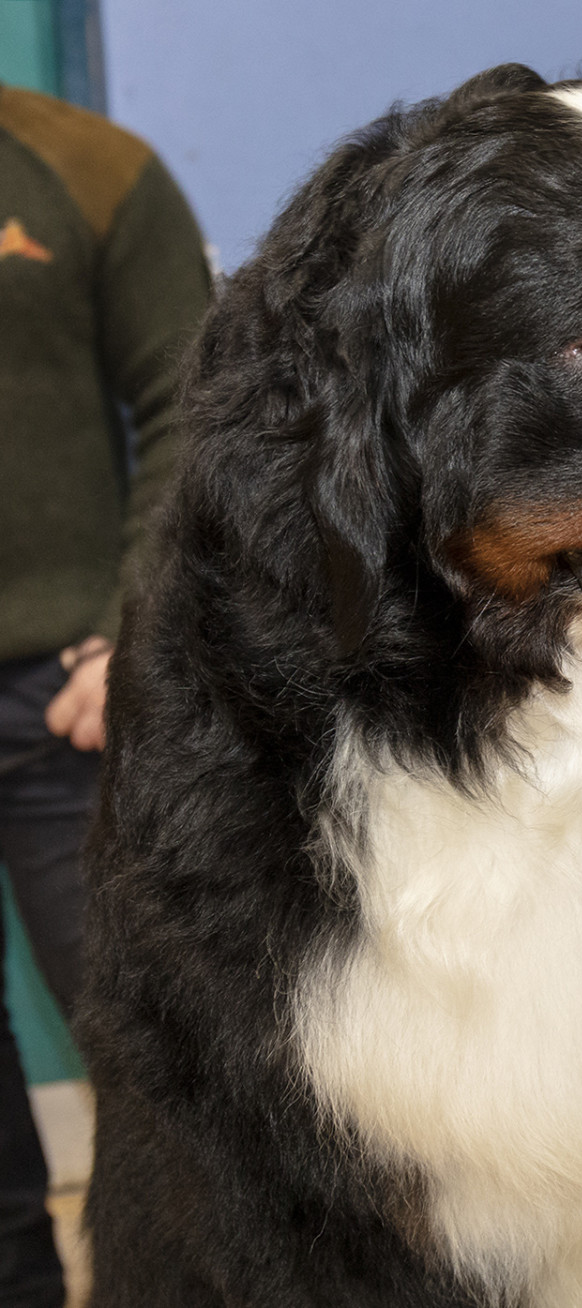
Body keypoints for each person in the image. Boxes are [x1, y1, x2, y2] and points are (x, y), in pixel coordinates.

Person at [0, 82, 211, 1305]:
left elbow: (198, 400)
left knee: (159, 1071)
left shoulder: (87, 169)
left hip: (65, 708)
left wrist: (128, 632)